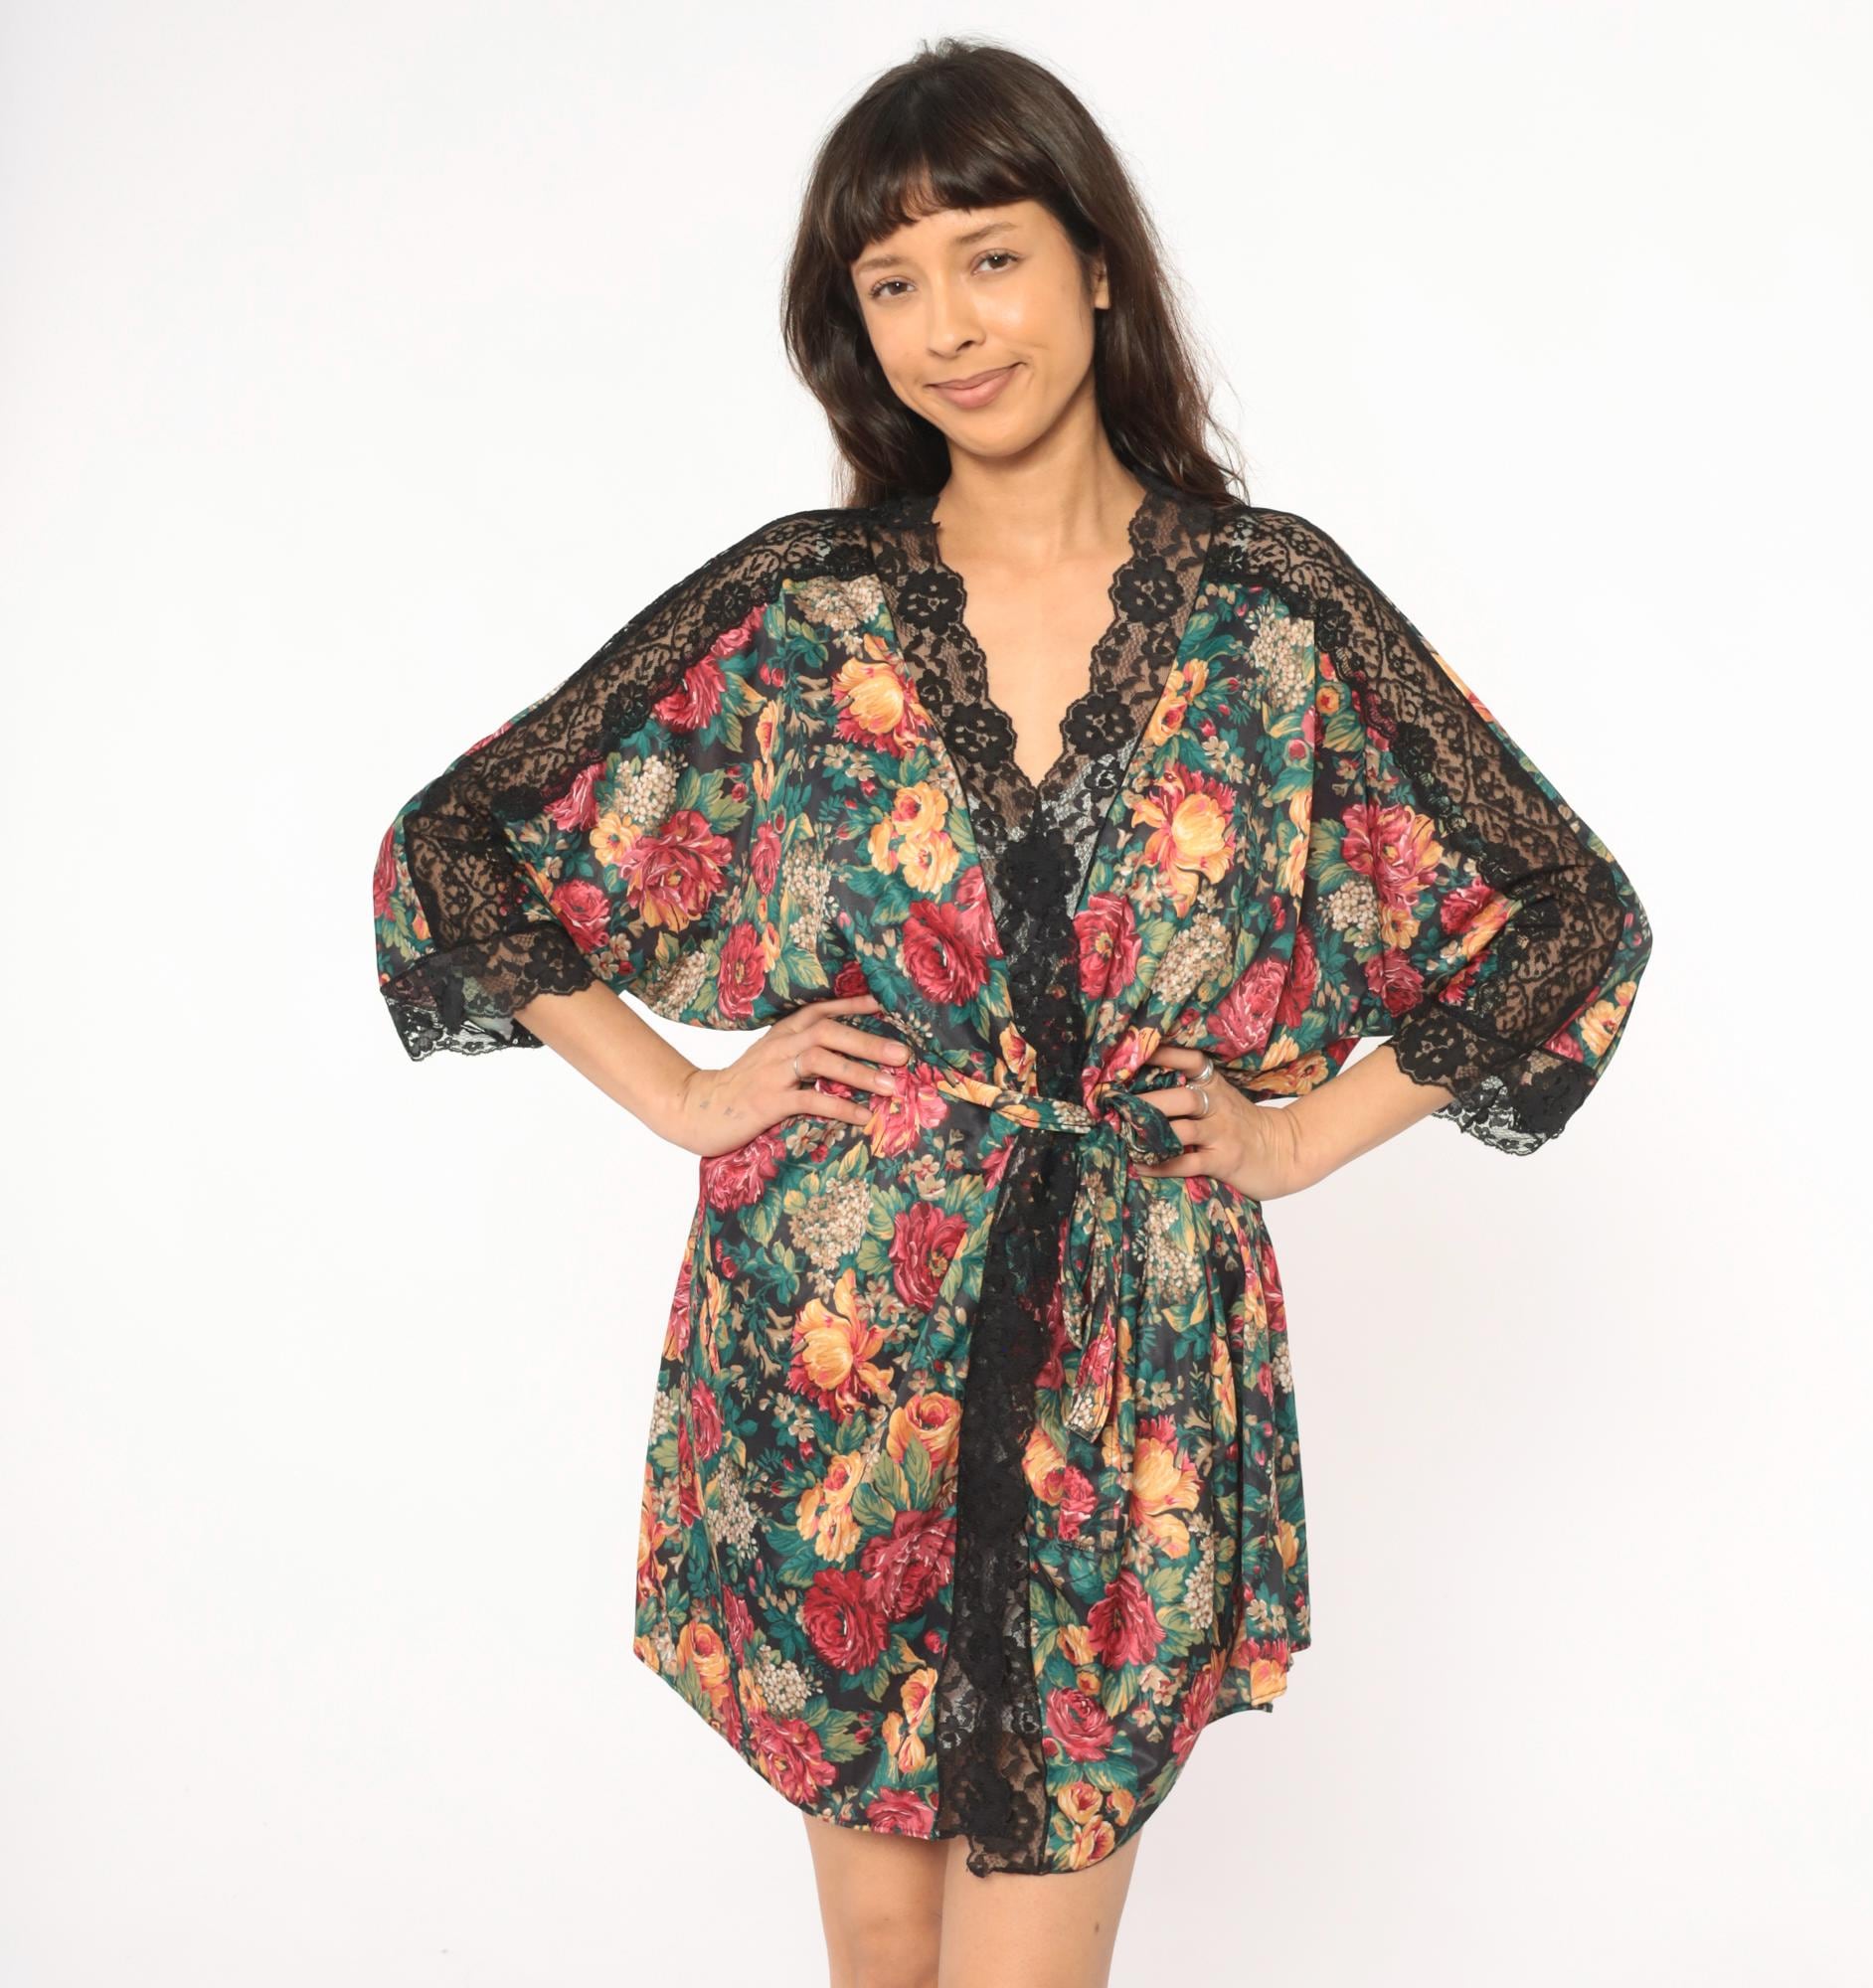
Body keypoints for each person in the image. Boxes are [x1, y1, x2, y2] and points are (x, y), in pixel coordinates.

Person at [369, 36, 1655, 1988]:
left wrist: (1301, 1136)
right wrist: (687, 1096)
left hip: (1127, 1361)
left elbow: (1569, 912)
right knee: (883, 1963)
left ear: (1096, 265)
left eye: (989, 259)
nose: (948, 328)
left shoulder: (1269, 613)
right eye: (891, 283)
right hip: (831, 1345)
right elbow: (460, 844)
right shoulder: (802, 611)